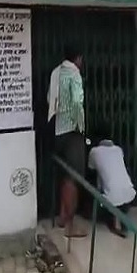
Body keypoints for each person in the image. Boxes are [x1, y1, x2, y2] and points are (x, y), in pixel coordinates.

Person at [47, 44, 87, 238]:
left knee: (65, 176)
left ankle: (62, 217)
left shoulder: (56, 72)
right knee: (74, 178)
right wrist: (81, 126)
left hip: (57, 130)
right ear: (78, 58)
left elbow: (50, 99)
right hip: (72, 130)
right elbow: (77, 102)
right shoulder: (74, 74)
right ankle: (71, 225)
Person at [88, 123, 137, 238]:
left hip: (111, 195)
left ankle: (111, 223)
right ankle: (123, 223)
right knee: (119, 196)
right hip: (129, 191)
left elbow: (91, 169)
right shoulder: (118, 149)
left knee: (104, 191)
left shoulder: (94, 152)